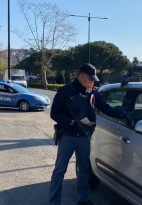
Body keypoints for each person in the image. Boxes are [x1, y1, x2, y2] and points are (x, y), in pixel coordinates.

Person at [49, 63, 131, 205]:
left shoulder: (93, 93)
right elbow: (54, 113)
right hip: (68, 136)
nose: (93, 82)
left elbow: (105, 108)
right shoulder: (65, 91)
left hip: (85, 138)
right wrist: (72, 123)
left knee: (84, 169)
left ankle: (84, 199)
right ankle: (54, 201)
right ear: (82, 77)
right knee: (60, 170)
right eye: (91, 79)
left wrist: (122, 114)